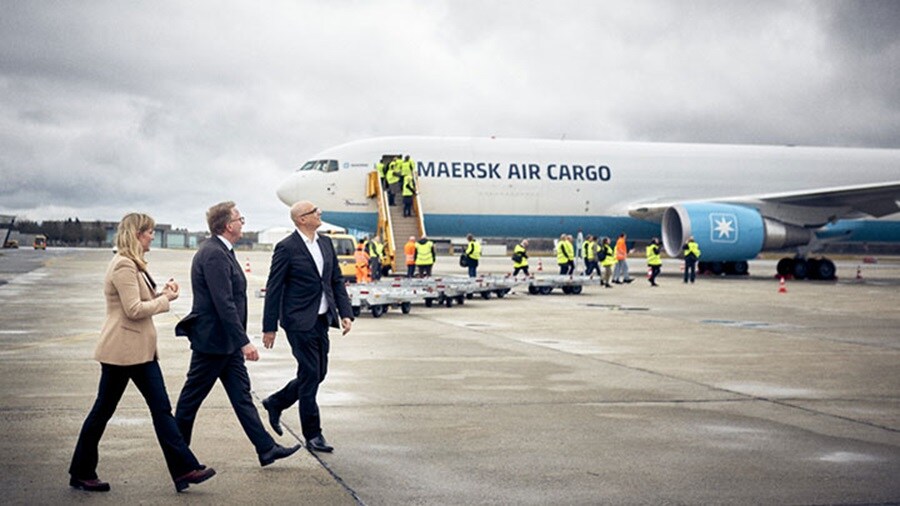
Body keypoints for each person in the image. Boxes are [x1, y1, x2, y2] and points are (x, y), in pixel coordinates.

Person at [69, 213, 216, 493]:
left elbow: (141, 301)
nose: (152, 236)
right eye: (149, 232)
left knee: (159, 409)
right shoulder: (124, 265)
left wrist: (164, 293)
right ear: (138, 234)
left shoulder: (134, 264)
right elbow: (133, 310)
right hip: (123, 352)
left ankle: (184, 468)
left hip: (139, 352)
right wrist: (165, 301)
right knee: (105, 411)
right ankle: (82, 471)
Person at [174, 202, 300, 468]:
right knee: (189, 402)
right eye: (240, 218)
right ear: (228, 226)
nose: (243, 222)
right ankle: (178, 456)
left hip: (225, 344)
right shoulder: (213, 254)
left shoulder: (223, 251)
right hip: (213, 343)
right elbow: (224, 302)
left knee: (242, 397)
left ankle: (266, 449)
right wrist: (244, 342)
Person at [260, 201, 354, 453]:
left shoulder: (325, 243)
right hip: (298, 322)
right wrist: (269, 327)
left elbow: (335, 280)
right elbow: (274, 288)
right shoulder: (286, 248)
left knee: (318, 373)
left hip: (322, 320)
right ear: (302, 219)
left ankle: (276, 402)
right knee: (310, 374)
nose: (319, 213)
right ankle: (313, 434)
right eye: (314, 211)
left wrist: (345, 313)